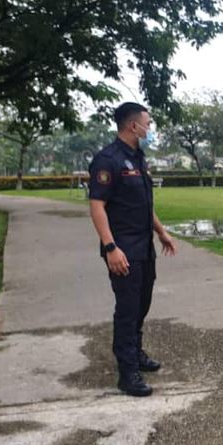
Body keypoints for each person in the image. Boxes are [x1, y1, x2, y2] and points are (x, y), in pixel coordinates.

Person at [88, 102, 177, 396]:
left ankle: (135, 352)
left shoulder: (138, 158)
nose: (149, 129)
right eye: (147, 124)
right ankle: (127, 373)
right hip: (123, 249)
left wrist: (161, 232)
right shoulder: (108, 160)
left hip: (144, 247)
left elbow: (143, 205)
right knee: (127, 309)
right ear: (132, 126)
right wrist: (110, 247)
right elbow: (97, 205)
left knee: (142, 304)